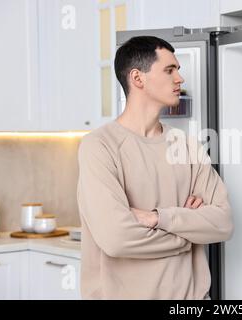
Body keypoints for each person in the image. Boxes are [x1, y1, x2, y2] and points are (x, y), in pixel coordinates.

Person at [76, 36, 233, 299]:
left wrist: (158, 218)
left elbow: (223, 223)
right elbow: (117, 239)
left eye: (178, 71)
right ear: (138, 78)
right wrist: (189, 232)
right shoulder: (98, 146)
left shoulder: (186, 145)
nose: (180, 79)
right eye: (170, 70)